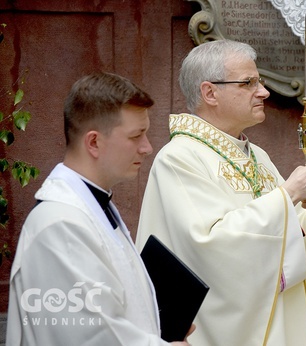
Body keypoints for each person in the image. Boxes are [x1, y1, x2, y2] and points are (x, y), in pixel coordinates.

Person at [136, 40, 306, 346]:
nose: (263, 92)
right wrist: (290, 193)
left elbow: (293, 233)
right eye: (249, 83)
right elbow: (212, 247)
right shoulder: (178, 158)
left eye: (260, 81)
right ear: (210, 93)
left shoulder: (256, 155)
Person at [6, 72, 192, 346]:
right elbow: (86, 336)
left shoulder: (91, 206)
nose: (147, 147)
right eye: (136, 136)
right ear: (93, 142)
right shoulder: (59, 226)